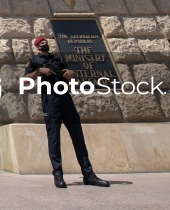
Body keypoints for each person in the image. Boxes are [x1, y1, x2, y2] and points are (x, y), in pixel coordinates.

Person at [24, 36, 110, 188]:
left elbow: (72, 75)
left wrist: (72, 73)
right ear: (37, 47)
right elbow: (25, 80)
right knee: (54, 138)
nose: (45, 44)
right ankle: (58, 174)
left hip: (66, 99)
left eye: (46, 42)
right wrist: (39, 71)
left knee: (78, 136)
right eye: (42, 43)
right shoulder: (34, 61)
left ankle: (88, 174)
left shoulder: (58, 58)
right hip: (51, 101)